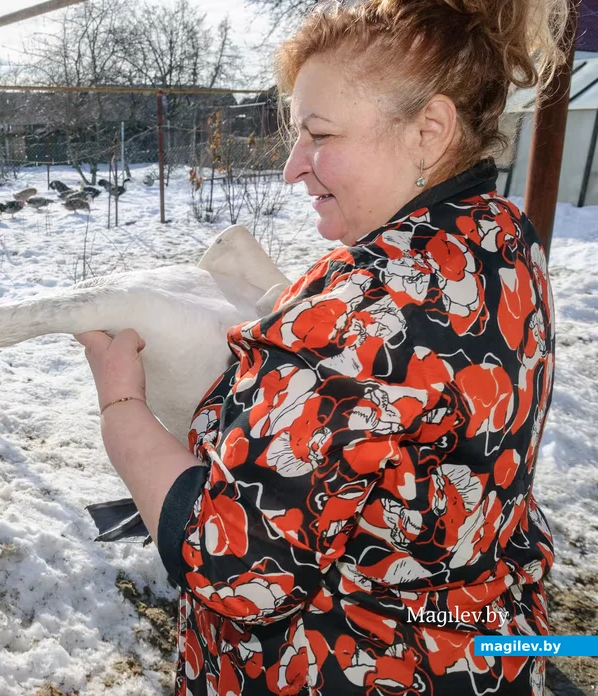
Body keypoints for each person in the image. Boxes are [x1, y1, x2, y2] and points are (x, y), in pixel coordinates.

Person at [75, 0, 564, 693]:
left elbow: (235, 568)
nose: (292, 169)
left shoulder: (357, 313)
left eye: (320, 134)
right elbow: (405, 385)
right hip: (472, 650)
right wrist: (289, 319)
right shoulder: (502, 237)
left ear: (429, 130)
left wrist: (121, 404)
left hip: (345, 667)